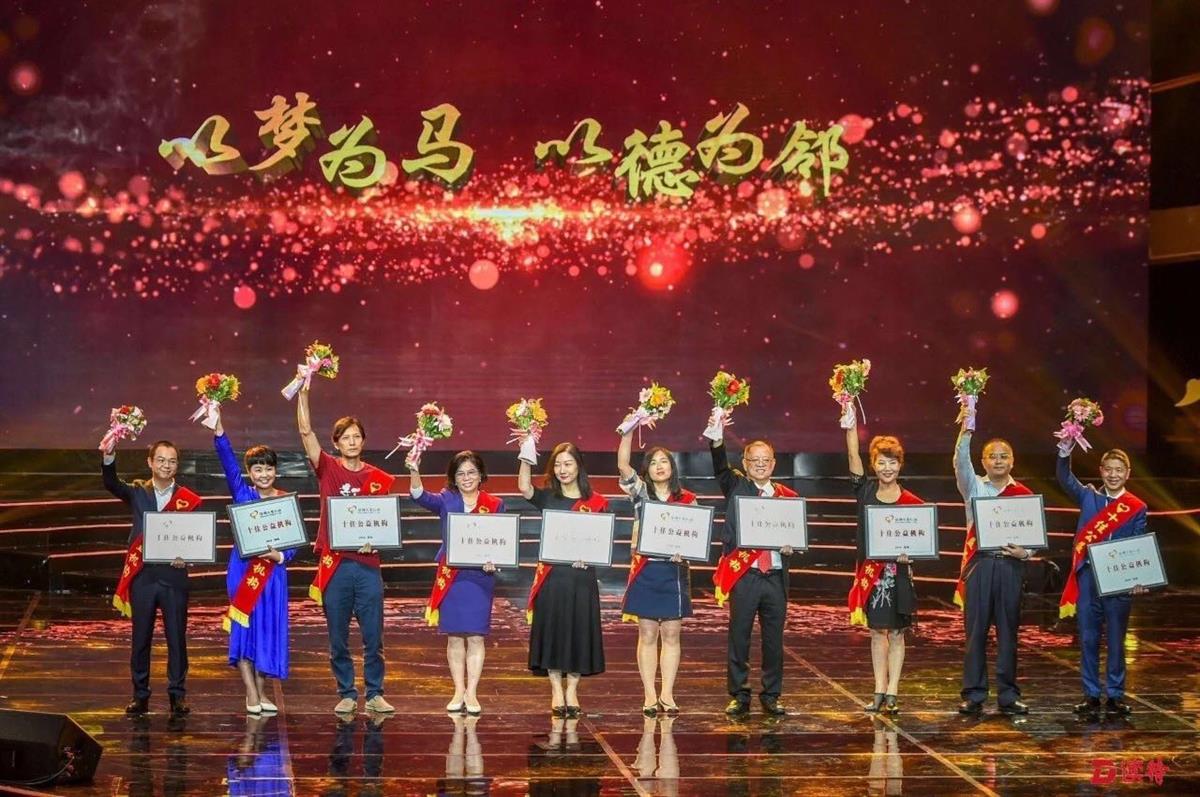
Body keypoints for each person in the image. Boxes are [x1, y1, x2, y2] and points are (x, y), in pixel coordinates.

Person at [297, 383, 396, 716]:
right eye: (345, 437)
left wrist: (376, 539)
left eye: (357, 437)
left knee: (373, 636)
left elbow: (383, 522)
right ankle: (347, 692)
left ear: (363, 441)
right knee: (337, 635)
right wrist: (303, 393)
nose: (352, 442)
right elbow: (305, 431)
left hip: (367, 565)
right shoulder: (328, 468)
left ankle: (375, 693)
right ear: (336, 443)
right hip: (336, 564)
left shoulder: (378, 478)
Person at [103, 438, 202, 716]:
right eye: (161, 460)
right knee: (141, 638)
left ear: (177, 465)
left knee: (177, 639)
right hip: (143, 577)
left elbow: (196, 538)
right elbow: (111, 483)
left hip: (174, 576)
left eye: (171, 461)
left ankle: (177, 695)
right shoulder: (137, 492)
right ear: (150, 462)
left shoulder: (188, 499)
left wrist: (188, 557)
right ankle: (140, 695)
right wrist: (109, 456)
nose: (166, 465)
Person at [409, 450, 506, 716]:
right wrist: (414, 468)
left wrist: (495, 560)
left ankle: (472, 692)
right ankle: (457, 690)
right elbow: (419, 495)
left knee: (475, 636)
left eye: (471, 472)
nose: (466, 478)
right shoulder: (446, 499)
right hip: (452, 576)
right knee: (454, 637)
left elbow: (503, 540)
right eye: (460, 473)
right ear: (453, 477)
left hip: (480, 578)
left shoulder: (495, 504)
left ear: (481, 475)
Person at [710, 431, 798, 718]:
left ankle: (771, 694)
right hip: (745, 575)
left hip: (775, 575)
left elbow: (795, 534)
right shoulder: (737, 486)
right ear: (745, 463)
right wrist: (716, 437)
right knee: (739, 637)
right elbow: (720, 465)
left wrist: (791, 546)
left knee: (774, 640)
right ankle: (739, 694)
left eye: (765, 460)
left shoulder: (787, 498)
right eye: (754, 460)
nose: (760, 464)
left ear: (773, 463)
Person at [1057, 446, 1148, 717]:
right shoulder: (1089, 496)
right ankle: (1091, 695)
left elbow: (1138, 545)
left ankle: (1116, 696)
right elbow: (1064, 478)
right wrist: (1064, 452)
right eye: (1108, 470)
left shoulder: (1136, 506)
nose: (1113, 475)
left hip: (1119, 581)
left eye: (1119, 470)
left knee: (1117, 641)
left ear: (1127, 473)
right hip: (1089, 578)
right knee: (1088, 638)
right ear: (1101, 471)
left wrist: (1138, 579)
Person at [213, 412, 294, 714]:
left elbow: (293, 545)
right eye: (257, 469)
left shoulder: (285, 501)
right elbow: (228, 464)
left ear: (275, 470)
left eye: (268, 468)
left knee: (267, 631)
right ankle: (250, 693)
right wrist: (219, 430)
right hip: (244, 571)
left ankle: (262, 692)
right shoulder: (243, 494)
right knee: (245, 631)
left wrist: (280, 556)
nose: (263, 474)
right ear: (249, 472)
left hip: (273, 575)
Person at [519, 441, 608, 717]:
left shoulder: (596, 502)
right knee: (554, 631)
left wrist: (589, 556)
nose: (562, 469)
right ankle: (557, 689)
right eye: (557, 465)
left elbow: (599, 541)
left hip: (582, 578)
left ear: (579, 466)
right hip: (553, 577)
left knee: (578, 631)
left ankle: (573, 690)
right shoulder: (548, 497)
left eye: (568, 464)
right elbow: (524, 487)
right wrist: (526, 451)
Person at [953, 417, 1034, 716]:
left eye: (1004, 456)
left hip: (1011, 567)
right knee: (976, 633)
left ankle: (1008, 695)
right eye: (992, 456)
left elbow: (1034, 536)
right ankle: (974, 695)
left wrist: (1025, 553)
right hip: (981, 566)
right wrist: (966, 430)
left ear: (1013, 461)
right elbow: (960, 462)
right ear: (983, 462)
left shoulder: (1024, 495)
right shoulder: (974, 487)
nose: (998, 461)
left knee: (1008, 633)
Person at [845, 424, 922, 715]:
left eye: (892, 462)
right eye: (881, 462)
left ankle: (893, 692)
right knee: (878, 633)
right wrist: (849, 421)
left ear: (900, 464)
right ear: (873, 465)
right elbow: (852, 455)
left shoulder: (912, 503)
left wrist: (910, 554)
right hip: (872, 578)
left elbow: (920, 541)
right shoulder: (865, 491)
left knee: (898, 634)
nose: (887, 468)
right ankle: (878, 689)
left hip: (899, 576)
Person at [617, 427, 695, 716]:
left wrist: (685, 550)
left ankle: (668, 693)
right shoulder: (641, 493)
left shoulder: (688, 499)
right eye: (653, 462)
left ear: (672, 467)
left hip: (674, 572)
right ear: (646, 470)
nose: (659, 466)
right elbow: (622, 464)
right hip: (646, 569)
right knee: (648, 633)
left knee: (672, 634)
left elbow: (695, 536)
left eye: (664, 461)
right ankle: (650, 694)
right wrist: (628, 431)